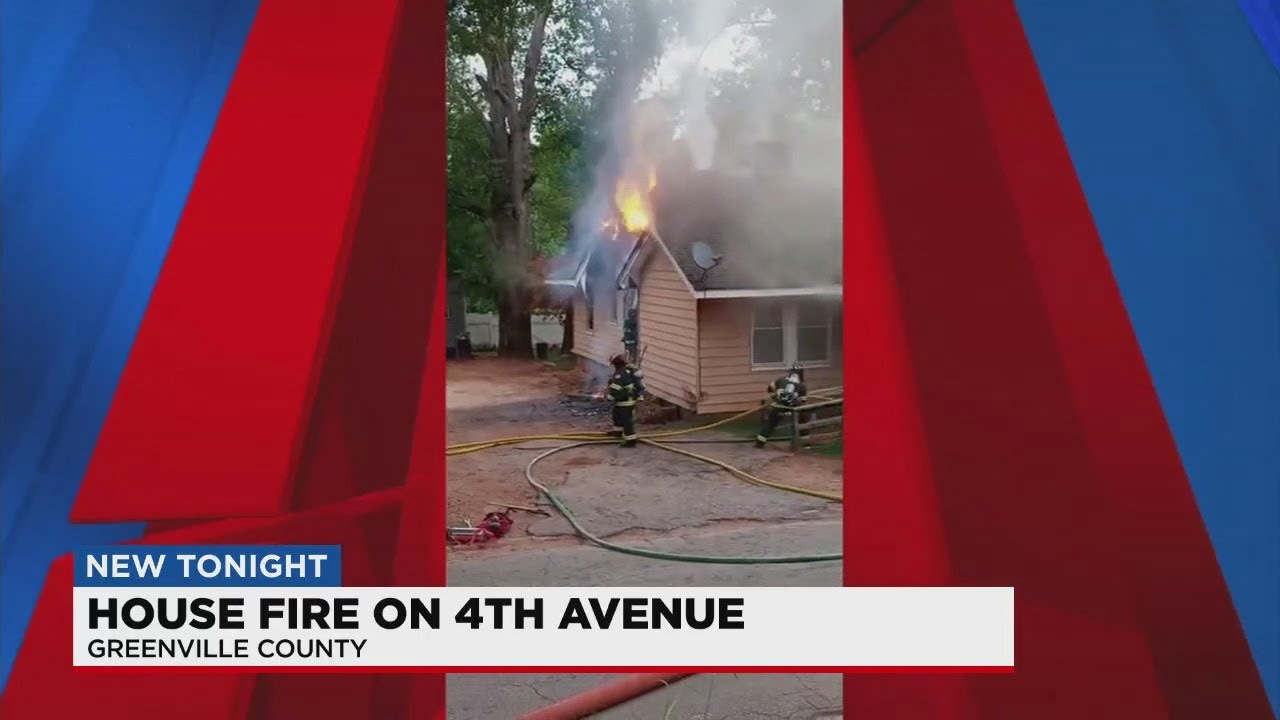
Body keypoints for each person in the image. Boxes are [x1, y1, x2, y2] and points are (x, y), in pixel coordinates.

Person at [756, 363, 807, 448]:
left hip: (778, 407)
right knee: (803, 419)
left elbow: (769, 389)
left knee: (771, 423)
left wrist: (777, 394)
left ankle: (759, 443)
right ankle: (806, 444)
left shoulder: (781, 380)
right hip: (793, 409)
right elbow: (803, 402)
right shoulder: (802, 386)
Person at [607, 353, 645, 447]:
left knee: (626, 420)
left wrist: (609, 397)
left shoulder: (620, 374)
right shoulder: (627, 370)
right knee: (616, 413)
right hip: (625, 399)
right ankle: (618, 431)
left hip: (625, 401)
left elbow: (615, 389)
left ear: (616, 363)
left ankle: (630, 441)